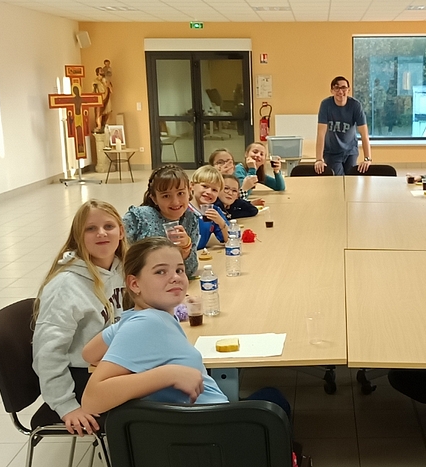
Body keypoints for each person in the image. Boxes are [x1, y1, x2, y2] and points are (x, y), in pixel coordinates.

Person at [80, 237, 291, 416]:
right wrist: (168, 374)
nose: (175, 278)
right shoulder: (148, 323)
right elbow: (91, 400)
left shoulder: (135, 319)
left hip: (199, 420)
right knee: (274, 400)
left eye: (179, 270)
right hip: (213, 424)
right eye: (160, 272)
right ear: (134, 284)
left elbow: (89, 353)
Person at [32, 200, 127, 436]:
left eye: (108, 226)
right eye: (91, 228)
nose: (101, 233)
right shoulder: (65, 285)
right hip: (83, 379)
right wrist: (66, 406)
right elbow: (47, 353)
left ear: (121, 231)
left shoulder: (123, 269)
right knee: (164, 393)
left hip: (114, 366)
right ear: (78, 237)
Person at [122, 165, 200, 278]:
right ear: (154, 199)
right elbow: (118, 253)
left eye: (180, 193)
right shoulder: (138, 217)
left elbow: (189, 271)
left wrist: (186, 249)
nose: (175, 202)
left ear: (189, 191)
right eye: (166, 196)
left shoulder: (190, 219)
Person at [315, 76, 373, 175]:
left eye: (343, 88)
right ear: (332, 91)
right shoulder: (326, 105)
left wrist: (367, 159)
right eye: (336, 88)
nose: (340, 91)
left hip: (351, 151)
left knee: (351, 178)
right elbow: (321, 133)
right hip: (332, 152)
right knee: (338, 178)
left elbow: (364, 134)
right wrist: (319, 159)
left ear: (348, 90)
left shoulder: (355, 105)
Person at [189, 165, 229, 250]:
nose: (209, 192)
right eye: (205, 186)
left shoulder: (215, 211)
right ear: (191, 186)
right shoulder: (181, 208)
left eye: (214, 190)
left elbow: (230, 240)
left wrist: (221, 222)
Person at [92, 66, 112, 132]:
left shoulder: (106, 80)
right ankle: (99, 126)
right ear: (98, 73)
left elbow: (111, 90)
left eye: (103, 71)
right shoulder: (95, 81)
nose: (102, 72)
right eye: (101, 71)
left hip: (107, 97)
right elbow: (93, 91)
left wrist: (108, 85)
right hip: (99, 98)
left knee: (108, 112)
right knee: (99, 113)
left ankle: (105, 125)